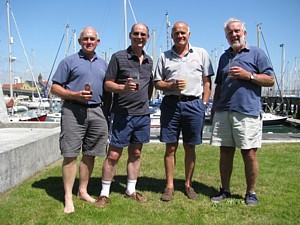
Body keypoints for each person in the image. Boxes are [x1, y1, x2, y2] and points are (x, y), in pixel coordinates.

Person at [210, 18, 275, 206]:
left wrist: (249, 76)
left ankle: (251, 193)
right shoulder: (224, 57)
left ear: (244, 33)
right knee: (225, 152)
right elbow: (219, 86)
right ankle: (225, 190)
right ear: (226, 36)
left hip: (247, 111)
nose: (234, 35)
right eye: (230, 32)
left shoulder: (257, 54)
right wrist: (214, 108)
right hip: (223, 111)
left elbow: (270, 79)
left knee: (249, 153)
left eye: (237, 31)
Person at [154, 21, 214, 201]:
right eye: (176, 33)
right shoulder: (164, 56)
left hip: (193, 104)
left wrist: (203, 104)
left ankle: (188, 184)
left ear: (189, 34)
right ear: (172, 36)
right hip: (171, 104)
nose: (179, 36)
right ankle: (169, 186)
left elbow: (207, 82)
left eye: (182, 33)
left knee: (190, 146)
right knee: (170, 147)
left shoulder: (201, 54)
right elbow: (157, 83)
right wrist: (170, 85)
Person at [51, 27, 109, 214]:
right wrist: (74, 95)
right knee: (70, 153)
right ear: (80, 41)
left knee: (90, 153)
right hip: (73, 111)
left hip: (97, 111)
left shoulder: (104, 64)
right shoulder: (69, 62)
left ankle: (82, 191)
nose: (89, 42)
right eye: (85, 39)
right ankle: (68, 196)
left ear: (98, 42)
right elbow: (54, 88)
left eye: (92, 39)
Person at [95, 23, 153, 208]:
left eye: (143, 34)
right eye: (136, 33)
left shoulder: (150, 61)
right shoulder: (119, 57)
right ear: (130, 35)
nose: (139, 37)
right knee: (113, 155)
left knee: (136, 153)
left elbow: (149, 87)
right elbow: (107, 84)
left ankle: (130, 190)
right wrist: (123, 88)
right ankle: (104, 193)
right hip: (122, 115)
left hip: (142, 115)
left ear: (147, 38)